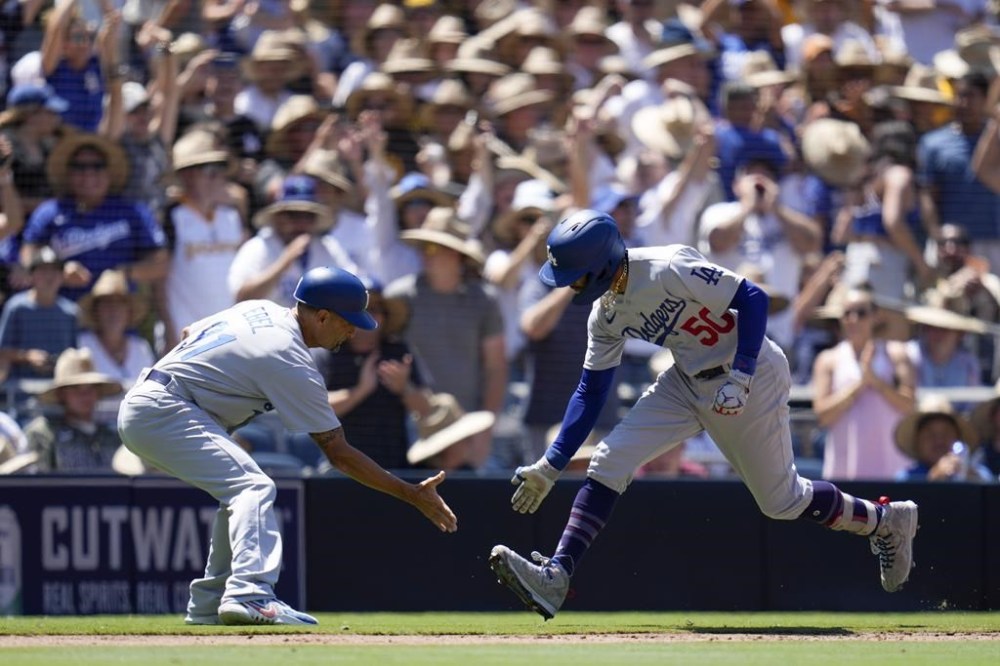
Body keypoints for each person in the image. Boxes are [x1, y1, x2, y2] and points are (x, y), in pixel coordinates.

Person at [487, 211, 919, 620]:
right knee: (608, 460)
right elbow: (591, 390)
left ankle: (885, 521)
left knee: (782, 501)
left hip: (749, 372)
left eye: (573, 274)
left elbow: (753, 298)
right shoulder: (606, 315)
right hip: (686, 379)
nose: (567, 284)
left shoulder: (667, 265)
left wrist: (743, 374)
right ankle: (557, 575)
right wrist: (552, 463)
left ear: (599, 265)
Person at [117, 266, 457, 626]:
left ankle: (209, 603)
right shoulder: (289, 356)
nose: (353, 330)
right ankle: (251, 593)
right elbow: (339, 454)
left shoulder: (258, 309)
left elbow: (190, 333)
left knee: (237, 492)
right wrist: (409, 492)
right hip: (167, 409)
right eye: (348, 321)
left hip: (154, 400)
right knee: (253, 485)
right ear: (323, 316)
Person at [25, 347, 123, 472]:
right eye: (75, 388)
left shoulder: (114, 436)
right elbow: (38, 483)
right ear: (61, 394)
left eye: (91, 388)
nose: (84, 396)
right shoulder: (44, 434)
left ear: (98, 393)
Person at [894, 395, 994, 483]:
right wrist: (931, 481)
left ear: (958, 438)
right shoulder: (905, 479)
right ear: (917, 441)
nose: (939, 440)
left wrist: (971, 481)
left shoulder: (979, 475)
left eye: (946, 433)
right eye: (930, 434)